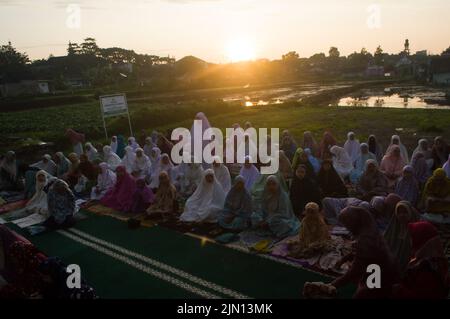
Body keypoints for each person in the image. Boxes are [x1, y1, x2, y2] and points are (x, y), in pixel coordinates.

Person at [330, 206, 399, 298]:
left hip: (378, 276)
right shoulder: (370, 231)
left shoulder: (365, 239)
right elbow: (360, 254)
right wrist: (343, 259)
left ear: (353, 222)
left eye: (346, 224)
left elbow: (355, 270)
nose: (346, 228)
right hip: (381, 272)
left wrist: (332, 285)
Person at [392, 221, 449, 299]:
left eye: (413, 237)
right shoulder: (435, 260)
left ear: (420, 240)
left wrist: (399, 290)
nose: (410, 241)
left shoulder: (426, 268)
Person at [384, 201, 420, 274]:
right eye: (399, 213)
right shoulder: (392, 228)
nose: (402, 215)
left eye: (405, 212)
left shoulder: (417, 230)